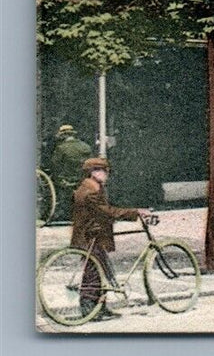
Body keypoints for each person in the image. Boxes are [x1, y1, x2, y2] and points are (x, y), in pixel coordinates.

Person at [71, 157, 149, 320]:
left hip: (93, 234)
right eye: (103, 171)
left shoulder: (90, 187)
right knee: (93, 273)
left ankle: (100, 307)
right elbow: (107, 211)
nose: (106, 174)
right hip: (91, 236)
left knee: (100, 270)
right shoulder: (91, 191)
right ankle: (89, 309)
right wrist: (135, 212)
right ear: (93, 172)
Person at [49, 124, 92, 220]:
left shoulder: (61, 148)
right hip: (82, 178)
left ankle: (62, 213)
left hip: (66, 179)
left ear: (64, 135)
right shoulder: (86, 147)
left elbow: (55, 164)